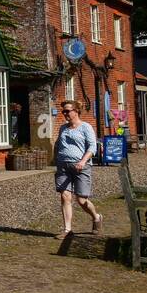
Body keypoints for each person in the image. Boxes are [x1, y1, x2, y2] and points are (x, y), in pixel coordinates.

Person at [54, 100, 101, 238]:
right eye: (63, 111)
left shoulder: (86, 127)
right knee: (65, 196)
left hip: (81, 166)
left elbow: (93, 147)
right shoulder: (63, 128)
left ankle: (96, 217)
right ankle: (67, 230)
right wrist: (57, 158)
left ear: (76, 111)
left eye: (67, 111)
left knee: (81, 200)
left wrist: (82, 161)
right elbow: (58, 144)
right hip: (63, 166)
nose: (65, 114)